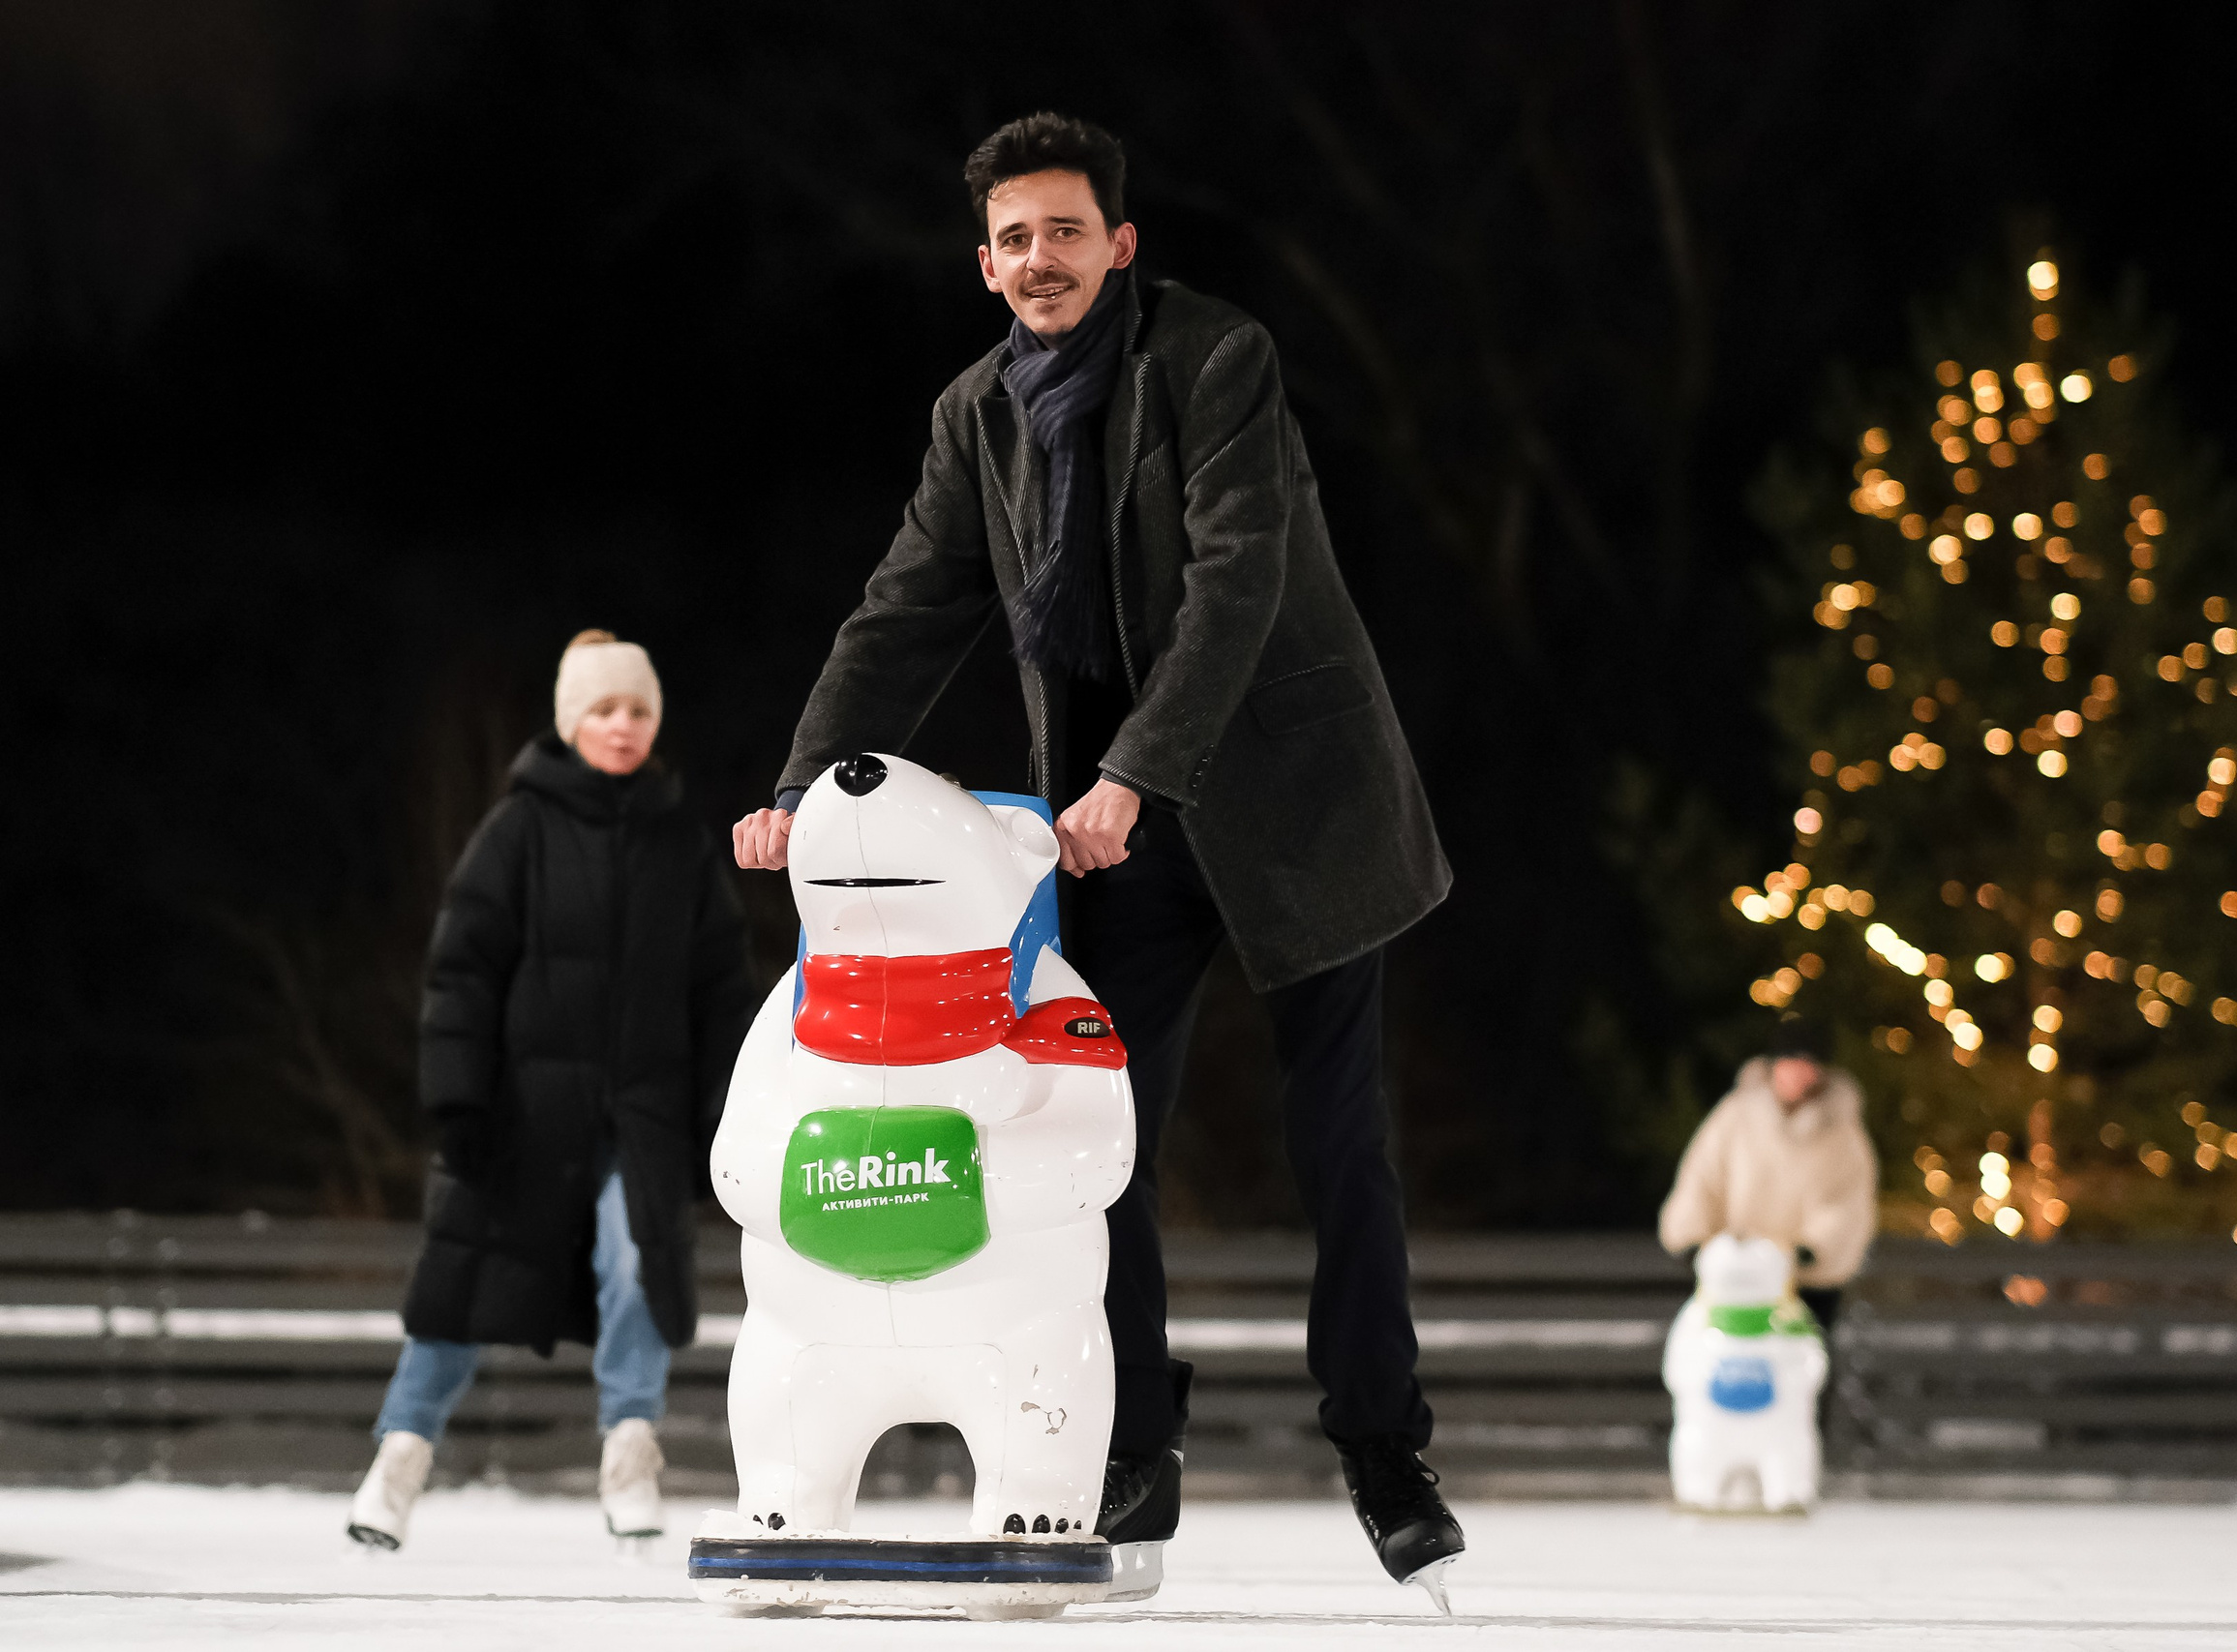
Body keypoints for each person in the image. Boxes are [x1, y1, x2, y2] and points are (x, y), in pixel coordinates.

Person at [729, 113, 1462, 1592]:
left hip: (1290, 800)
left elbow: (1237, 580)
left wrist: (1137, 768)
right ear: (984, 263)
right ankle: (1132, 1447)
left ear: (1120, 244)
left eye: (1066, 230)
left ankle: (1384, 1447)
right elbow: (903, 612)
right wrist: (804, 787)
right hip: (1113, 837)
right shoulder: (975, 416)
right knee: (1090, 1152)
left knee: (1341, 1146)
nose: (1039, 258)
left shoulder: (1213, 360)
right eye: (1013, 237)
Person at [348, 631, 757, 1549]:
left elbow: (722, 990)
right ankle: (398, 1462)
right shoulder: (517, 830)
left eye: (639, 710)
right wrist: (459, 1101)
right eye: (605, 710)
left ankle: (629, 1455)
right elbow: (461, 972)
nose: (623, 726)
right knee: (462, 1281)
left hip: (640, 1114)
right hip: (520, 1115)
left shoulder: (677, 842)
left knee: (640, 1267)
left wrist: (722, 1115)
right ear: (573, 722)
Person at [1658, 1016, 1879, 1330]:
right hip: (1733, 1276)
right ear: (1775, 1064)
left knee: (1802, 1367)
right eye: (1790, 1061)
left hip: (1804, 1286)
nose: (1798, 1073)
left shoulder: (1842, 1137)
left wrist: (1812, 1249)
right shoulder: (1736, 1117)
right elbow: (1702, 1179)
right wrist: (1690, 1236)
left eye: (1808, 1063)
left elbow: (1848, 1202)